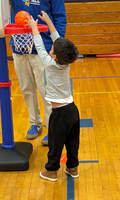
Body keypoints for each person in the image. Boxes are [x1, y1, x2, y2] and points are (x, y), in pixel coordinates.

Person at [1, 0, 67, 146]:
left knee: (46, 91)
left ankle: (50, 127)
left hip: (43, 48)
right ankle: (35, 122)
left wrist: (57, 46)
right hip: (20, 46)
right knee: (27, 88)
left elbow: (60, 17)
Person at [26, 10, 80, 182]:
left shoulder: (49, 64)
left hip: (59, 114)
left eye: (52, 49)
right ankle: (73, 168)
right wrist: (49, 22)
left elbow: (40, 46)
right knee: (72, 144)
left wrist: (34, 27)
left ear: (54, 56)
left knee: (55, 146)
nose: (51, 48)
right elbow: (57, 40)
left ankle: (51, 171)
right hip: (73, 110)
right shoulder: (66, 63)